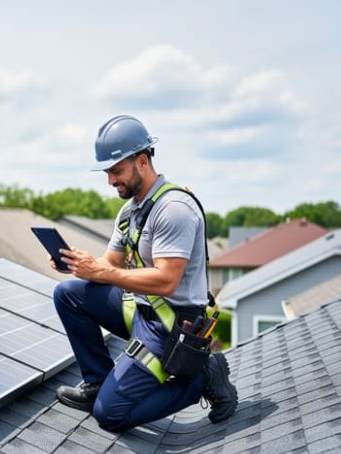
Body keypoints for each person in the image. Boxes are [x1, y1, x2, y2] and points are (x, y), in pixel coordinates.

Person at [51, 115, 237, 432]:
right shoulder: (130, 212)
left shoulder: (174, 208)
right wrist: (78, 266)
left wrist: (101, 272)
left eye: (116, 171)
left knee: (110, 415)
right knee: (68, 293)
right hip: (140, 308)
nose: (110, 180)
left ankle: (204, 376)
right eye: (107, 172)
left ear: (141, 161)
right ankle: (97, 381)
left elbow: (167, 280)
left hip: (172, 323)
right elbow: (110, 265)